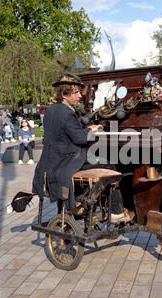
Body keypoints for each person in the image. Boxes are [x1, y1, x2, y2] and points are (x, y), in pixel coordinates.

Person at [32, 73, 103, 211]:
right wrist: (91, 131)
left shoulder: (51, 110)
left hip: (52, 159)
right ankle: (86, 202)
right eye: (76, 93)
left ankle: (78, 201)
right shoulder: (67, 113)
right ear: (64, 94)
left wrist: (86, 129)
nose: (80, 96)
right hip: (65, 160)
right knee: (110, 164)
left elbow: (66, 132)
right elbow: (79, 138)